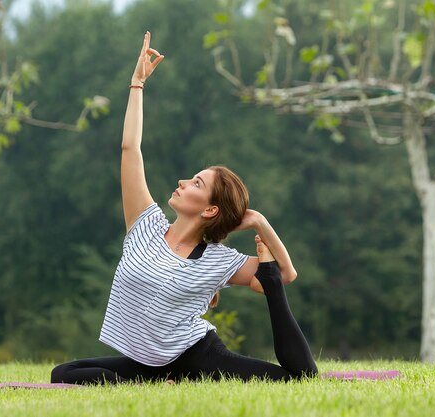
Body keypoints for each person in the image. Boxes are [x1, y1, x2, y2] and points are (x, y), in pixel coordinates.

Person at [50, 31, 318, 384]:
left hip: (199, 356)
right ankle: (159, 382)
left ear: (209, 210)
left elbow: (286, 275)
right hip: (149, 361)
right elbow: (131, 150)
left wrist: (259, 222)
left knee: (296, 377)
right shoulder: (145, 226)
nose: (182, 182)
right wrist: (137, 85)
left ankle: (170, 380)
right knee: (65, 373)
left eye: (196, 184)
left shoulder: (218, 259)